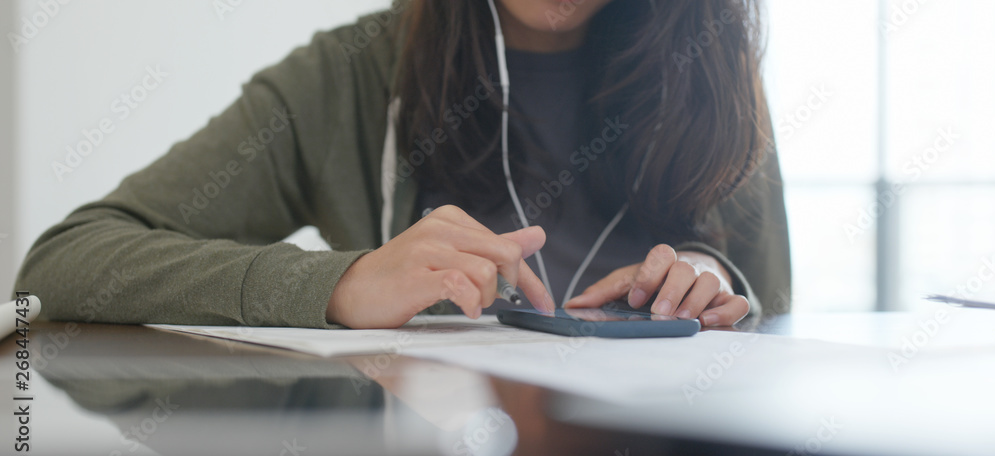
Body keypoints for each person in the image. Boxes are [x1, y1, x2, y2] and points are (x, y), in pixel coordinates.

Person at [14, 0, 791, 329]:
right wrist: (338, 283)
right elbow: (62, 264)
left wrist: (716, 283)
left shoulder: (712, 73)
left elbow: (772, 316)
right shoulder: (351, 73)